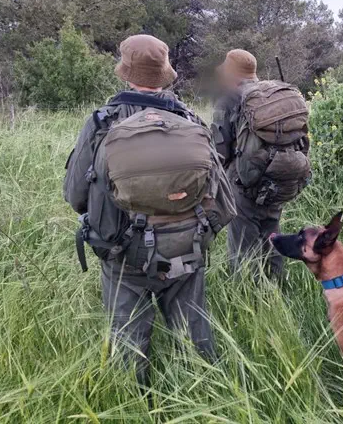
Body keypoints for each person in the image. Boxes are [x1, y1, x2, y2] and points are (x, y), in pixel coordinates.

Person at [63, 34, 235, 387]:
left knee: (128, 339)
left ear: (126, 73)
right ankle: (211, 391)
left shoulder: (102, 123)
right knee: (194, 331)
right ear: (164, 73)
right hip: (187, 247)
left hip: (123, 252)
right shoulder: (190, 120)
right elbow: (220, 192)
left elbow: (75, 194)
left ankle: (135, 400)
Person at [210, 49, 310, 280]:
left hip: (245, 185)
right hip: (281, 179)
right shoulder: (275, 94)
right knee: (272, 237)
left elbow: (220, 152)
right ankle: (278, 286)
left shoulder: (229, 99)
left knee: (243, 250)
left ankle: (248, 293)